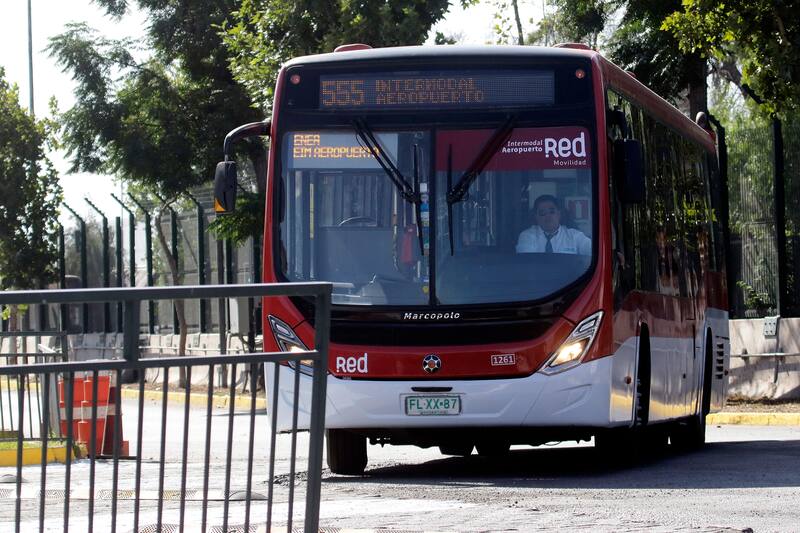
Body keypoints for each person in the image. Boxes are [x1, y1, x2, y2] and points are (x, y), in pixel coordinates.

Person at [516, 194, 591, 255]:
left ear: (559, 214)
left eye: (552, 212)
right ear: (536, 217)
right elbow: (527, 263)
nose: (548, 216)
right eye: (542, 213)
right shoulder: (527, 236)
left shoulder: (575, 236)